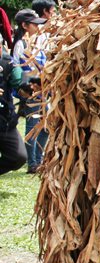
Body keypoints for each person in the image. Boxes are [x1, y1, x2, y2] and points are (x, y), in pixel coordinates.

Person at [11, 9, 48, 173]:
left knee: (46, 127)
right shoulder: (21, 45)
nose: (38, 27)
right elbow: (22, 71)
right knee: (33, 127)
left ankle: (38, 159)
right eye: (34, 24)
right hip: (31, 91)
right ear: (25, 25)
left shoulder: (38, 41)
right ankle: (33, 163)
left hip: (44, 90)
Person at [0, 45, 27, 175]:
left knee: (18, 157)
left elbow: (20, 81)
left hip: (5, 121)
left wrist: (31, 86)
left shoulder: (7, 62)